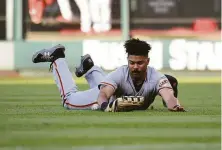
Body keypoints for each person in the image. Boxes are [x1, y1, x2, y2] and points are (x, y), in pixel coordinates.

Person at [32, 38, 185, 112]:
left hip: (112, 91)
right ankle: (58, 58)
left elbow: (169, 97)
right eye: (132, 63)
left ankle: (90, 68)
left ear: (148, 61)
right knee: (69, 100)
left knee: (106, 82)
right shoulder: (120, 74)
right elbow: (103, 94)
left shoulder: (157, 78)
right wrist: (105, 106)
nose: (135, 67)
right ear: (127, 61)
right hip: (105, 97)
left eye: (140, 63)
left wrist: (175, 106)